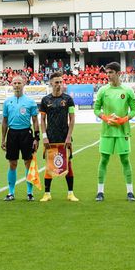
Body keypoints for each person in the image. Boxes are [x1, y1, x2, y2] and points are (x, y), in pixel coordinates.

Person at [93, 61, 135, 201]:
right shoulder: (102, 90)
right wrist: (105, 118)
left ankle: (130, 192)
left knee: (125, 160)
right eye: (107, 73)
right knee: (104, 159)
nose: (108, 75)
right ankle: (100, 192)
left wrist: (123, 119)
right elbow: (96, 109)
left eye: (111, 72)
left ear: (118, 73)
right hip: (107, 131)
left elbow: (134, 110)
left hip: (122, 131)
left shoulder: (127, 91)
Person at [38, 71, 77, 202]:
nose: (59, 85)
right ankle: (47, 193)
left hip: (64, 137)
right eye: (56, 82)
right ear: (51, 83)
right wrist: (44, 137)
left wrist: (68, 137)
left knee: (68, 164)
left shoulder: (68, 99)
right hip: (50, 137)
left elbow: (72, 119)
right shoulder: (45, 100)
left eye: (61, 82)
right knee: (49, 165)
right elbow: (42, 120)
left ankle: (70, 193)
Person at [1, 74, 40, 201]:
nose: (17, 85)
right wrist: (3, 139)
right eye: (14, 83)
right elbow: (5, 121)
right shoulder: (7, 102)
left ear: (23, 85)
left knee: (28, 163)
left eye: (19, 83)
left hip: (26, 134)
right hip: (12, 134)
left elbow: (35, 121)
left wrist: (36, 138)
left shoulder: (30, 102)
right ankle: (11, 192)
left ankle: (30, 192)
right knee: (12, 163)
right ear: (12, 85)